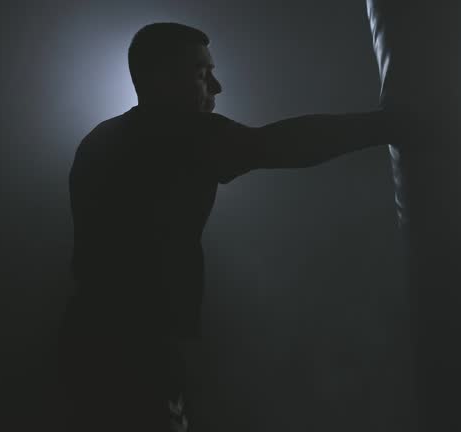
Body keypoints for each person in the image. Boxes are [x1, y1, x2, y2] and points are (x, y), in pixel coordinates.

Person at [58, 22, 398, 432]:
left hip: (88, 340)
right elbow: (284, 144)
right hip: (134, 349)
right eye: (202, 73)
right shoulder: (178, 134)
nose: (216, 87)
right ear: (160, 78)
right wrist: (388, 126)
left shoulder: (100, 138)